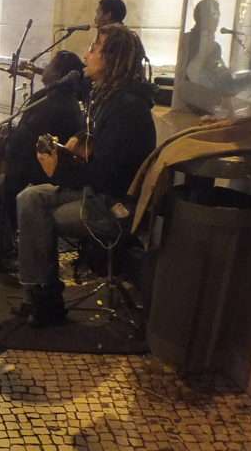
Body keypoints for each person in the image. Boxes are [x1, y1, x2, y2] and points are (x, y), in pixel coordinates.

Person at [16, 24, 155, 327]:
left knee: (39, 213)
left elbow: (108, 177)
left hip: (113, 206)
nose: (86, 55)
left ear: (113, 59)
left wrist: (61, 169)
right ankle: (40, 293)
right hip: (98, 192)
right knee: (29, 197)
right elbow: (99, 143)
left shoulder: (128, 108)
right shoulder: (110, 98)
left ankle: (45, 302)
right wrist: (76, 142)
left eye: (94, 49)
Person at [0, 51, 85, 262]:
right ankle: (1, 243)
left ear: (59, 73)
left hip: (41, 173)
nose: (45, 67)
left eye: (50, 64)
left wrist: (3, 144)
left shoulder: (52, 103)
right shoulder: (61, 99)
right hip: (41, 167)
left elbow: (25, 141)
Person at [181, 0, 251, 115]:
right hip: (194, 101)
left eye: (218, 14)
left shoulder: (215, 46)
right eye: (213, 14)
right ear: (201, 17)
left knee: (249, 77)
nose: (217, 19)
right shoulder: (187, 40)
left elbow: (221, 73)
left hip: (212, 98)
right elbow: (191, 74)